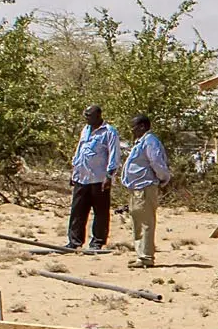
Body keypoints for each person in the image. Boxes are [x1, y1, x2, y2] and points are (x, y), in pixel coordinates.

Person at [120, 114, 172, 268]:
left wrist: (163, 179)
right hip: (136, 187)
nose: (132, 129)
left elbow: (156, 162)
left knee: (145, 222)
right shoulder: (140, 142)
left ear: (142, 126)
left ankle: (146, 256)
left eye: (134, 126)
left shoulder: (150, 141)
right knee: (137, 220)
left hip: (145, 186)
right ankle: (140, 255)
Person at [66, 105, 120, 253]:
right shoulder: (85, 129)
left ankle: (97, 241)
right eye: (86, 115)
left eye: (89, 115)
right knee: (77, 210)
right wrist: (74, 171)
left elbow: (114, 155)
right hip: (82, 177)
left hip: (99, 178)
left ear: (98, 115)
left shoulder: (109, 132)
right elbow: (79, 151)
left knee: (100, 212)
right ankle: (74, 241)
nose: (87, 118)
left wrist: (109, 176)